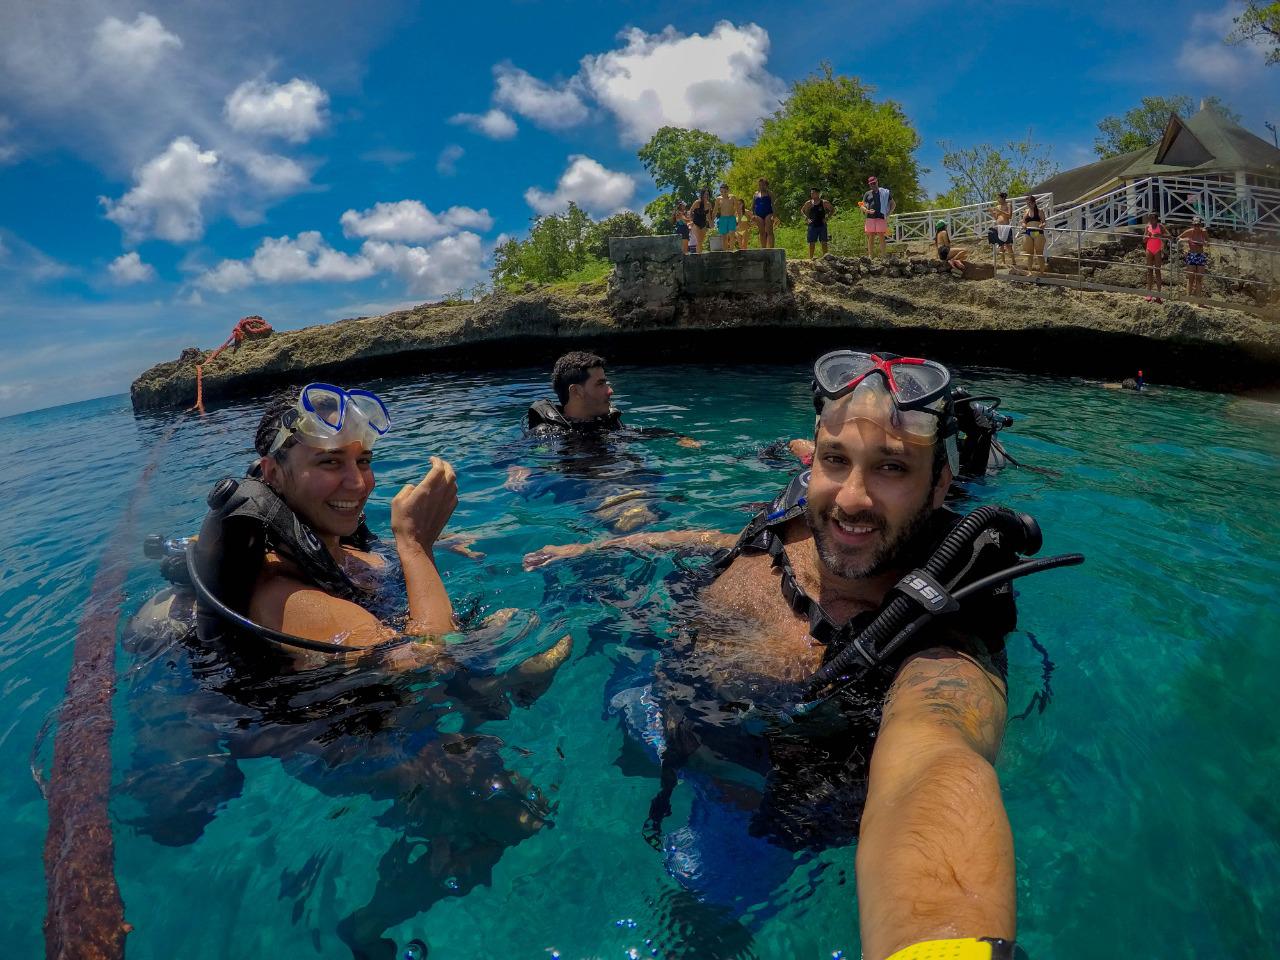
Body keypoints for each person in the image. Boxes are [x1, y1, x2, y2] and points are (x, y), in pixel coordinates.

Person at [525, 351, 1078, 959]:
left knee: (694, 927)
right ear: (814, 457)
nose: (853, 499)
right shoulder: (795, 516)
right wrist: (608, 545)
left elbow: (935, 753)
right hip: (661, 709)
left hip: (745, 811)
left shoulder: (933, 633)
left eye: (893, 467)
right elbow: (723, 543)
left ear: (939, 485)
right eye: (837, 460)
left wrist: (940, 944)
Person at [1178, 216, 1209, 302]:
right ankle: (1188, 298)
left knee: (1199, 278)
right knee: (1191, 277)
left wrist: (1205, 243)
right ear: (1192, 225)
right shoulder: (1189, 232)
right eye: (1195, 225)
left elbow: (1208, 242)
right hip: (1191, 255)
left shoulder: (1203, 232)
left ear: (1201, 225)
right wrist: (1185, 240)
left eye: (1198, 225)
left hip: (1200, 255)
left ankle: (1198, 299)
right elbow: (1178, 238)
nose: (1196, 227)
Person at [863, 175, 894, 257]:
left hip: (881, 216)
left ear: (877, 182)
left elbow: (893, 204)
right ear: (869, 185)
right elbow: (863, 205)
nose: (873, 185)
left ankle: (884, 255)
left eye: (874, 183)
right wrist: (867, 210)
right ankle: (870, 256)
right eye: (871, 184)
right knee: (871, 236)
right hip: (870, 217)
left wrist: (888, 213)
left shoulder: (884, 193)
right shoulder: (867, 193)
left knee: (881, 235)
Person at [802, 186, 835, 258]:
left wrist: (827, 217)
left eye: (813, 193)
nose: (812, 195)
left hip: (822, 224)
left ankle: (825, 258)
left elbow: (832, 210)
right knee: (811, 243)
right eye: (811, 193)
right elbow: (802, 210)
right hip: (812, 225)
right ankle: (810, 258)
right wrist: (806, 218)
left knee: (824, 242)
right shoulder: (809, 203)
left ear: (818, 194)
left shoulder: (824, 202)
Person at [988, 192, 1016, 269]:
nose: (998, 199)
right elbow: (996, 218)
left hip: (1006, 226)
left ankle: (1013, 261)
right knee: (1001, 246)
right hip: (998, 227)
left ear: (1003, 198)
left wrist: (1001, 211)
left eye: (998, 198)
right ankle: (1003, 262)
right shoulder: (998, 206)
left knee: (1008, 245)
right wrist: (992, 213)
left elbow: (1009, 216)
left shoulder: (1008, 205)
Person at [1021, 195, 1046, 275]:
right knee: (1029, 253)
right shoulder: (1026, 211)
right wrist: (1023, 224)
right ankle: (1030, 271)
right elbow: (1024, 221)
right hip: (1028, 232)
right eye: (1027, 203)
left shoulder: (1039, 211)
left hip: (1037, 232)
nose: (1029, 205)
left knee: (1039, 253)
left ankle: (1042, 272)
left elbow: (1044, 221)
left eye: (1030, 203)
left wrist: (1042, 225)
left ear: (1034, 203)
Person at [1143, 213, 1165, 302]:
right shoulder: (1147, 227)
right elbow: (1144, 240)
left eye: (1152, 218)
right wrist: (1147, 236)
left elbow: (1169, 236)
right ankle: (1149, 294)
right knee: (1149, 271)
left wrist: (1160, 235)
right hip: (1149, 249)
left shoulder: (1161, 226)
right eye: (1149, 218)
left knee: (1158, 271)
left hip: (1157, 250)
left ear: (1156, 219)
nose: (1150, 220)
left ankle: (1159, 294)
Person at [714, 183, 739, 251]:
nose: (723, 193)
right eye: (721, 192)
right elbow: (715, 210)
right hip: (723, 219)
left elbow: (738, 209)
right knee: (724, 237)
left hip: (731, 218)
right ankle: (725, 252)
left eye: (725, 191)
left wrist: (739, 220)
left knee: (732, 235)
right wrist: (711, 221)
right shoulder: (718, 199)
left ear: (728, 191)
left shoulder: (732, 197)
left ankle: (731, 250)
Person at [753, 177, 776, 249]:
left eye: (763, 185)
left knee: (769, 231)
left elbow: (774, 204)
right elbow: (753, 206)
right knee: (762, 232)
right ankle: (763, 249)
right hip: (759, 214)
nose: (761, 186)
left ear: (766, 185)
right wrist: (753, 215)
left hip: (768, 213)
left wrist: (774, 215)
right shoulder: (756, 194)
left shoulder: (770, 193)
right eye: (760, 185)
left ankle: (771, 249)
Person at [689, 189, 712, 254]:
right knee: (698, 240)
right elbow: (690, 211)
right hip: (696, 223)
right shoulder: (697, 202)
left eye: (707, 194)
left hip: (703, 224)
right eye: (705, 194)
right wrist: (691, 220)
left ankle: (700, 255)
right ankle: (699, 257)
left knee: (701, 242)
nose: (706, 195)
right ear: (702, 195)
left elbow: (708, 216)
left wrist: (711, 224)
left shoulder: (709, 204)